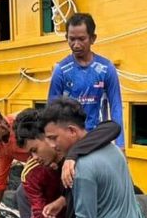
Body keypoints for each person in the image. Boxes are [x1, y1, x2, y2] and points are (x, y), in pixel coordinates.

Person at [48, 13, 124, 147]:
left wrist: (121, 144)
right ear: (66, 38)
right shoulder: (61, 70)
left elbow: (116, 107)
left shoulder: (106, 68)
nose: (76, 45)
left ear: (92, 38)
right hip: (71, 142)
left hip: (99, 139)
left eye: (81, 39)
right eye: (72, 39)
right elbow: (51, 112)